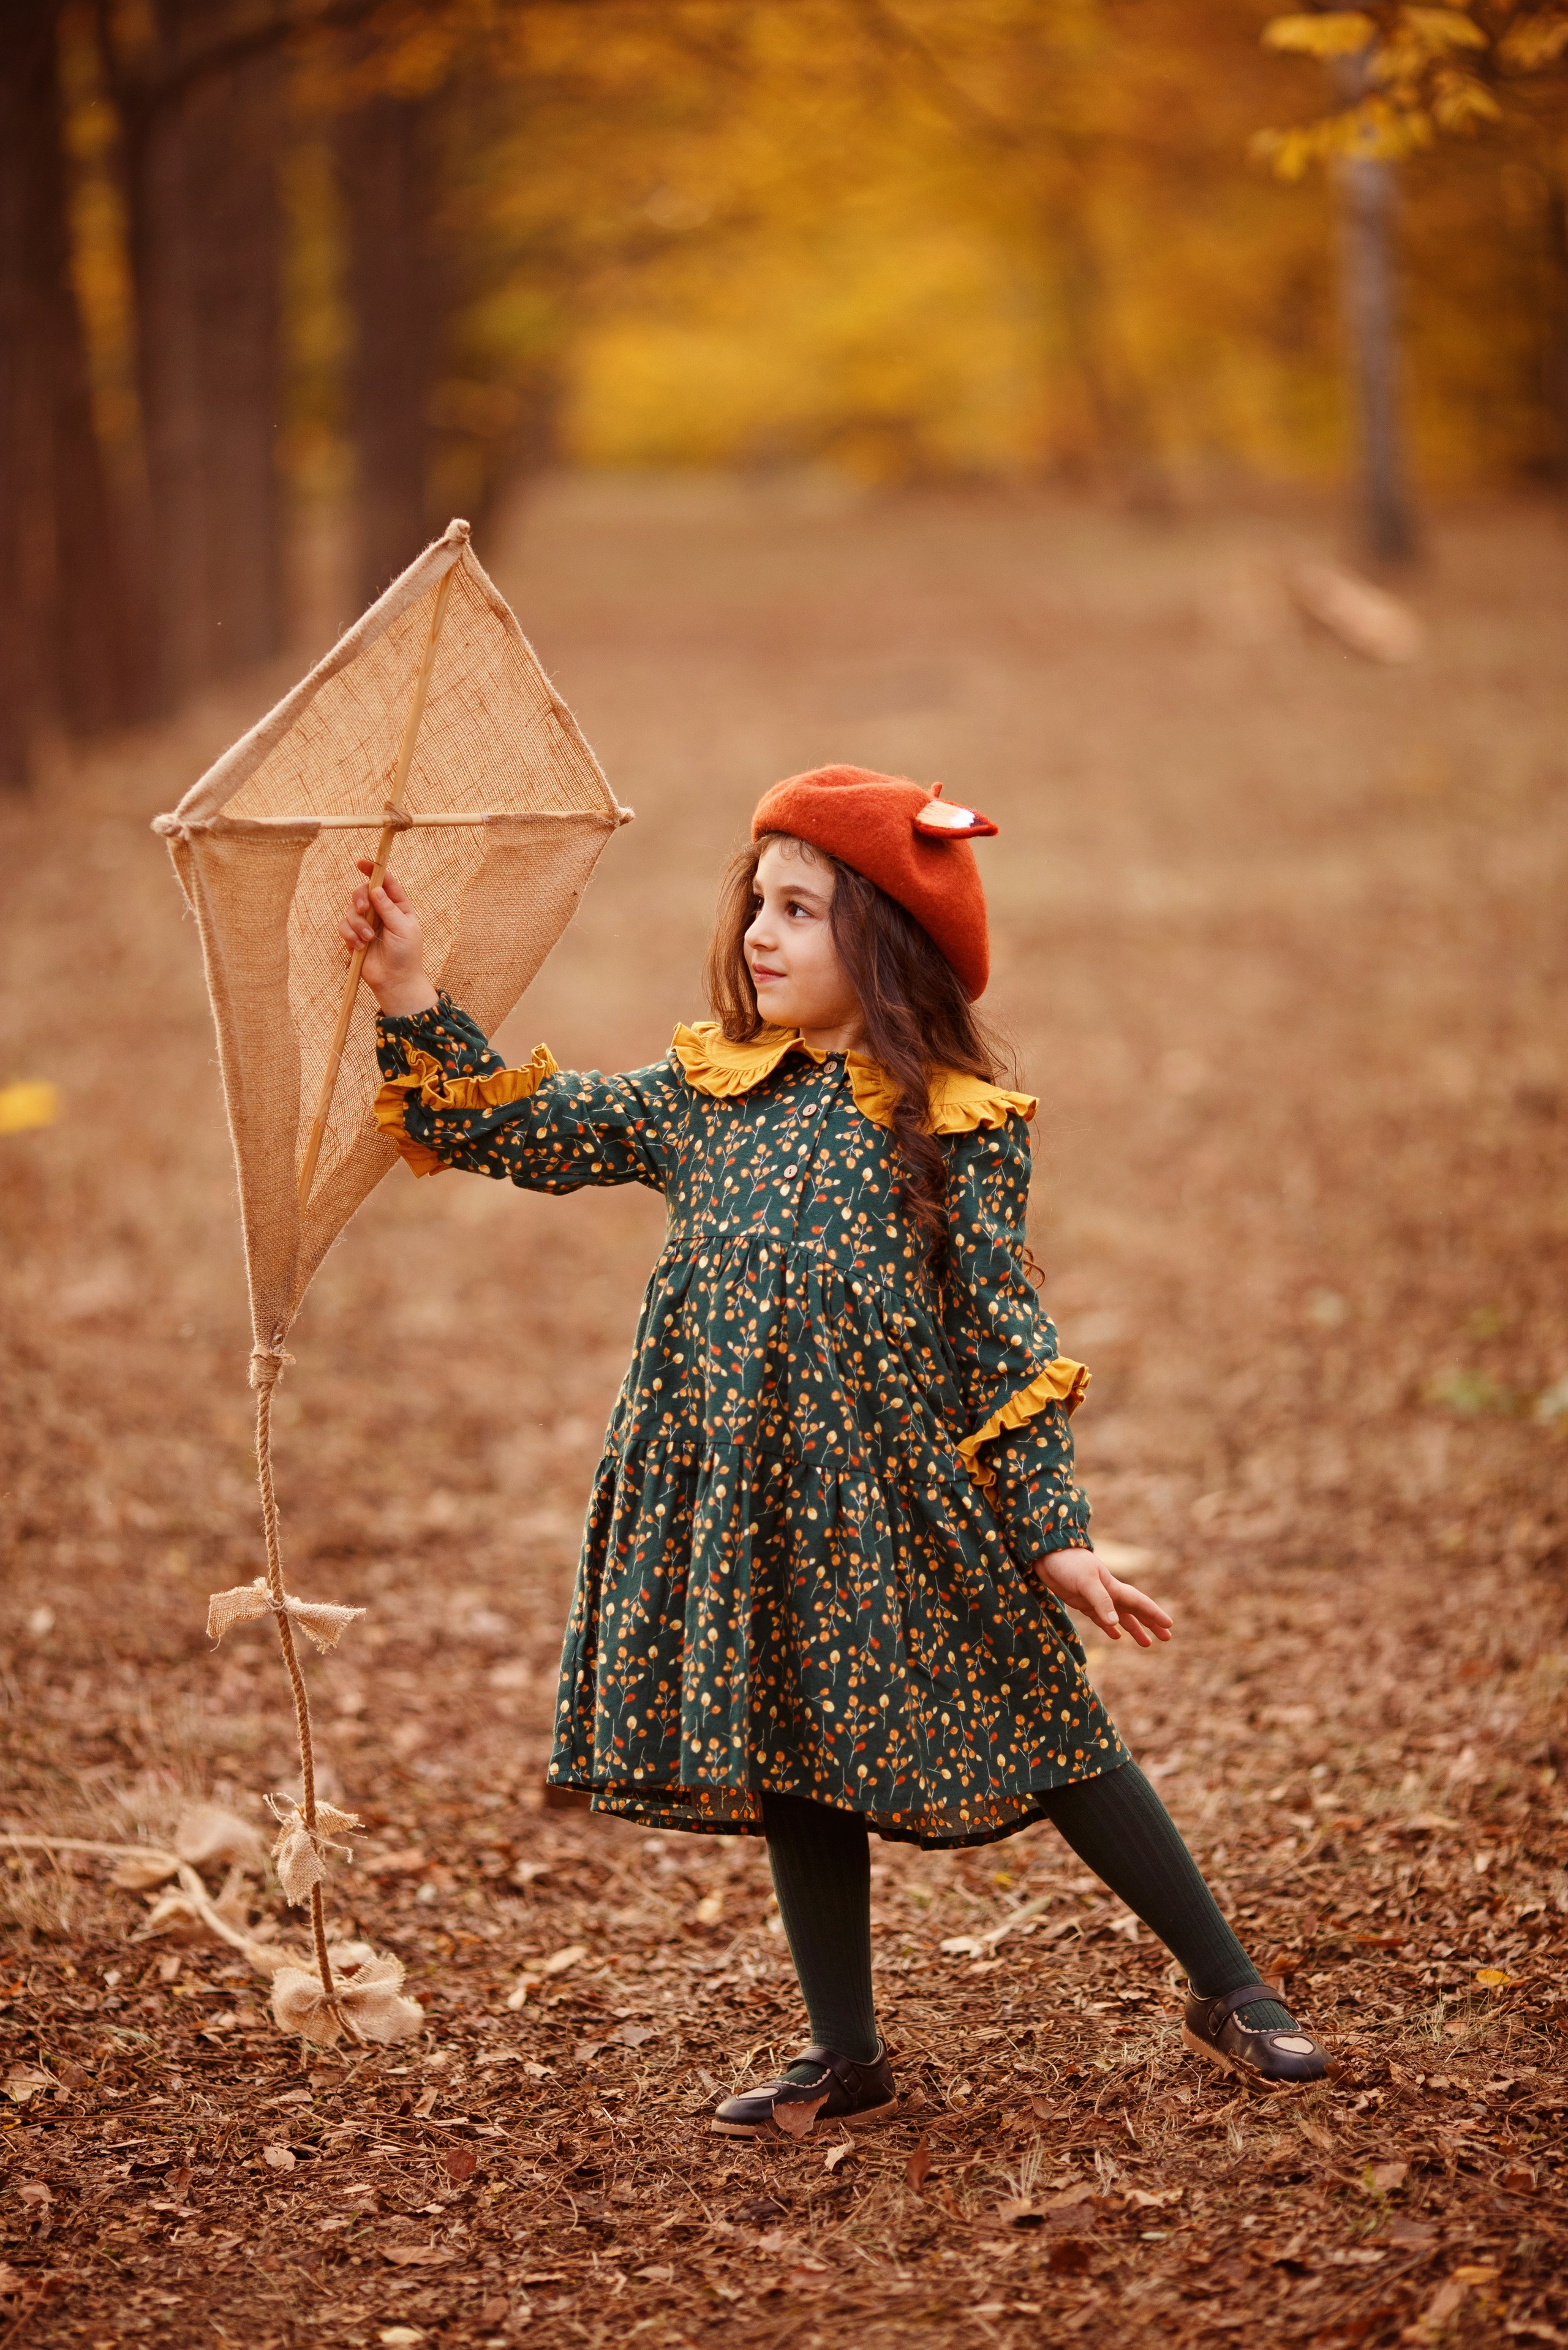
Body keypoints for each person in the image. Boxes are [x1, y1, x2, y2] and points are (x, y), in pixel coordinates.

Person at [343, 763, 1330, 2132]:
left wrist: (1050, 1528)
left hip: (901, 1499)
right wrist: (405, 989)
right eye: (758, 901)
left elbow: (1002, 1330)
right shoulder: (707, 1094)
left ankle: (1231, 1986)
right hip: (742, 1493)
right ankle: (844, 2050)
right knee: (791, 1743)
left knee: (1052, 1723)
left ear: (885, 940)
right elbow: (505, 1125)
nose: (759, 931)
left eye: (800, 909)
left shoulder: (953, 1125)